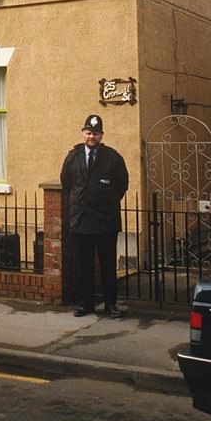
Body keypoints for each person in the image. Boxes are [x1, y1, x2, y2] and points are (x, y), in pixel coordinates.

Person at [60, 113, 129, 318]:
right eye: (89, 133)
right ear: (83, 133)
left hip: (105, 220)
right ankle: (85, 304)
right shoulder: (73, 157)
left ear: (101, 135)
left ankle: (111, 305)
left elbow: (122, 183)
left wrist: (108, 200)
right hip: (81, 220)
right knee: (84, 265)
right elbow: (66, 183)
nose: (92, 137)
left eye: (96, 133)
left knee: (108, 265)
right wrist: (79, 201)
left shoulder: (112, 157)